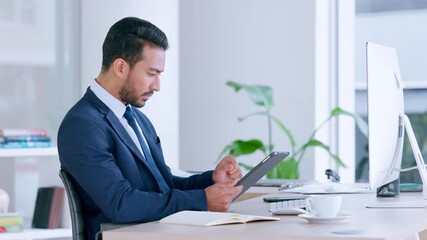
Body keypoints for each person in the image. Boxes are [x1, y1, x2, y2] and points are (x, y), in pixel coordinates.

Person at [57, 17, 243, 240]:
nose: (157, 86)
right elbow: (121, 203)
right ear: (120, 67)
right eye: (151, 74)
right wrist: (202, 200)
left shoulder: (138, 119)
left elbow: (164, 185)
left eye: (159, 75)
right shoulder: (82, 125)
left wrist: (211, 180)